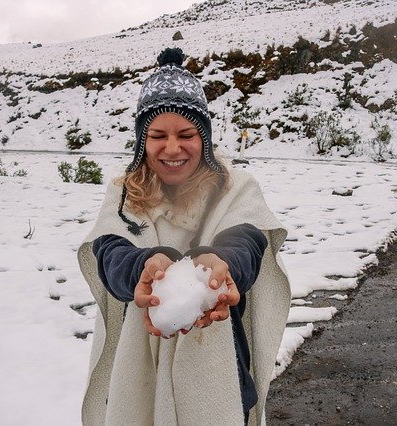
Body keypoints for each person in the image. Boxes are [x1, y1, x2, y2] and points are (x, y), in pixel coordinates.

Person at [77, 47, 291, 425]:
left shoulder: (234, 189)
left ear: (204, 137)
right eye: (158, 135)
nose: (172, 148)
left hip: (222, 370)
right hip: (138, 371)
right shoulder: (125, 195)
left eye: (186, 134)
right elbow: (110, 252)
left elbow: (247, 241)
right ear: (142, 139)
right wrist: (143, 266)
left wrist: (221, 264)